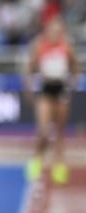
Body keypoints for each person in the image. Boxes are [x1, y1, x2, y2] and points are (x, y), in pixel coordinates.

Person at [24, 17, 80, 184]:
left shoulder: (66, 47)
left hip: (61, 90)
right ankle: (37, 158)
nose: (55, 33)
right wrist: (29, 87)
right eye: (52, 30)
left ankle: (59, 165)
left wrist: (73, 83)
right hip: (46, 91)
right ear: (47, 31)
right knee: (44, 130)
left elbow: (75, 67)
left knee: (60, 131)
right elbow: (30, 68)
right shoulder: (40, 46)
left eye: (58, 30)